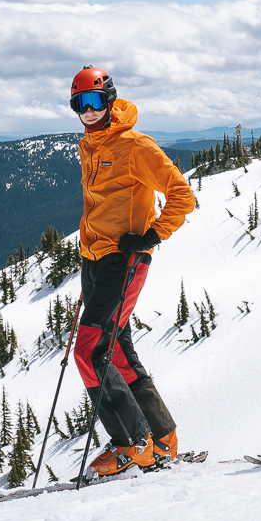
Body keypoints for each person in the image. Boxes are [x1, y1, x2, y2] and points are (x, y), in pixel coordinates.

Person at [70, 65, 194, 477]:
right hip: (95, 260)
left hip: (123, 261)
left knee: (89, 349)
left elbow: (182, 194)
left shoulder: (134, 144)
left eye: (94, 101)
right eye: (79, 104)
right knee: (116, 350)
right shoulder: (90, 144)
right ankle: (162, 438)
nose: (87, 111)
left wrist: (152, 235)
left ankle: (132, 445)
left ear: (109, 99)